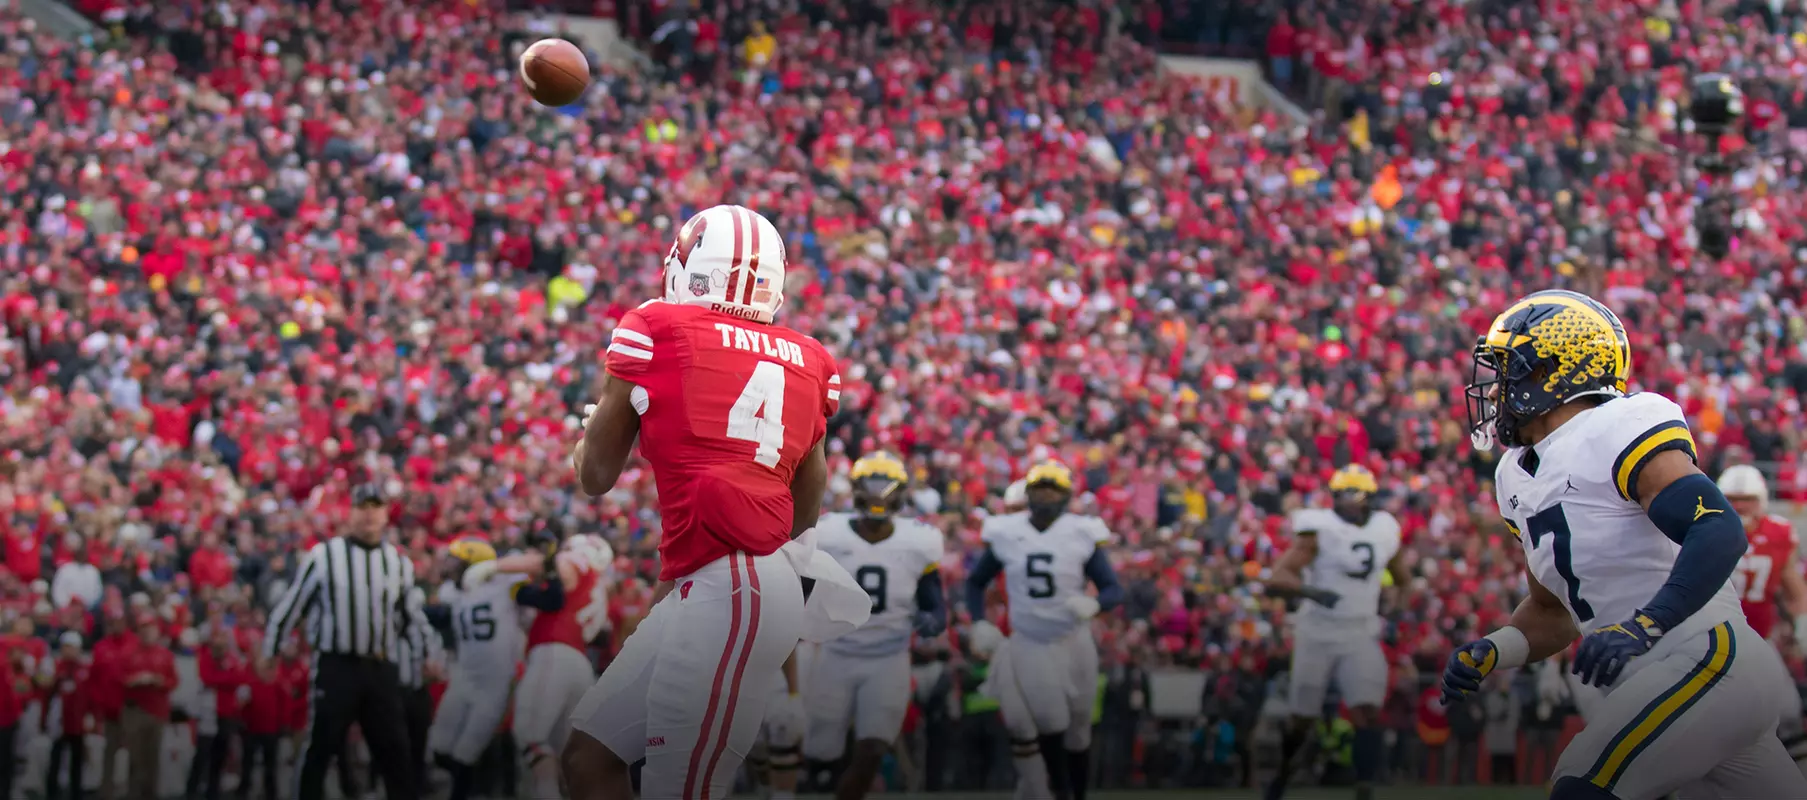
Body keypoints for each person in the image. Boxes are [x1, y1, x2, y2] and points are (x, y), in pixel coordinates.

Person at [1440, 289, 1807, 800]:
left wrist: (1647, 624)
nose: (1497, 387)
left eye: (1510, 370)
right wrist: (1494, 649)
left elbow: (1718, 527)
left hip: (1704, 657)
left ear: (1556, 371)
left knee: (1582, 787)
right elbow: (1554, 611)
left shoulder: (1617, 425)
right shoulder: (1513, 474)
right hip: (1661, 680)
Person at [564, 204, 870, 800]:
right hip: (731, 582)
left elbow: (596, 475)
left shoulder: (654, 325)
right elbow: (804, 508)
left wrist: (592, 431)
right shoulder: (810, 359)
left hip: (729, 590)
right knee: (589, 760)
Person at [262, 483, 433, 800]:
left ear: (386, 515)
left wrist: (428, 653)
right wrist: (271, 649)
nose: (369, 514)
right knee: (320, 747)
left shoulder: (397, 563)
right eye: (362, 507)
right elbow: (292, 605)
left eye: (375, 507)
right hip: (336, 666)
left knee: (396, 753)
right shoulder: (325, 556)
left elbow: (411, 616)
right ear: (350, 512)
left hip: (381, 667)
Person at [965, 460, 1124, 800]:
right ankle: (1058, 791)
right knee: (1047, 722)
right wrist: (980, 621)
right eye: (1039, 490)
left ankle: (1071, 792)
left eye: (1053, 490)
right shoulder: (1007, 533)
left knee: (1079, 729)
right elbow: (975, 582)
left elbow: (1112, 588)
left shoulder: (1080, 531)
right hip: (1030, 640)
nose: (1045, 498)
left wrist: (1095, 604)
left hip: (1074, 637)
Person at [801, 451, 948, 799]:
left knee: (874, 745)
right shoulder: (829, 532)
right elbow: (801, 589)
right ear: (855, 489)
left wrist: (932, 621)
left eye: (886, 486)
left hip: (889, 657)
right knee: (821, 750)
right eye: (871, 485)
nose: (879, 494)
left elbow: (935, 605)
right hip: (834, 653)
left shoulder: (918, 541)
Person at [1263, 464, 1404, 800]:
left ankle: (1365, 786)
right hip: (1318, 631)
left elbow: (1404, 578)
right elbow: (1277, 579)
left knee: (1367, 710)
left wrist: (1395, 611)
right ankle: (1282, 776)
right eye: (1340, 494)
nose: (1345, 501)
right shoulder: (1318, 529)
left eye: (1352, 494)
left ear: (1368, 497)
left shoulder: (1384, 528)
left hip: (1360, 630)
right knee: (1302, 719)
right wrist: (1311, 593)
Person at [430, 538, 562, 800]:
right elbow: (437, 616)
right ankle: (481, 787)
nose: (450, 566)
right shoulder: (452, 592)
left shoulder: (504, 586)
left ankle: (473, 792)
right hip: (463, 677)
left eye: (457, 561)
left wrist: (551, 572)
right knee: (439, 748)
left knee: (465, 753)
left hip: (494, 682)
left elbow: (550, 601)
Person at [1717, 465, 1807, 773]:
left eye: (1748, 499)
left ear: (1763, 500)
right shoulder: (1704, 529)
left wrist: (1803, 629)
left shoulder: (1779, 533)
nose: (1740, 506)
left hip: (1758, 638)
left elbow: (1793, 588)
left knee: (1788, 710)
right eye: (1732, 498)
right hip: (1709, 639)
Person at [514, 531, 612, 798]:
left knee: (529, 737)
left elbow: (550, 565)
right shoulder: (599, 586)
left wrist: (492, 566)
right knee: (568, 753)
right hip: (579, 665)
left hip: (554, 654)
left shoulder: (575, 563)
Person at [120, 616, 178, 800]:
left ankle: (149, 794)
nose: (147, 632)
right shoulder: (129, 652)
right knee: (135, 758)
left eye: (150, 628)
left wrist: (159, 681)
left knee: (153, 758)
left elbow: (173, 681)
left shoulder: (164, 654)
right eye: (143, 628)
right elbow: (119, 679)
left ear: (157, 631)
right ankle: (133, 794)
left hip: (157, 711)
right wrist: (134, 680)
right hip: (135, 710)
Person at [45, 632, 91, 800]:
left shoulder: (84, 669)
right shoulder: (54, 667)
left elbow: (89, 696)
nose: (70, 651)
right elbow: (46, 692)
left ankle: (76, 793)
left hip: (77, 722)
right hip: (59, 722)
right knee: (55, 761)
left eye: (73, 647)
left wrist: (91, 717)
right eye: (67, 647)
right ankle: (51, 793)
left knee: (77, 762)